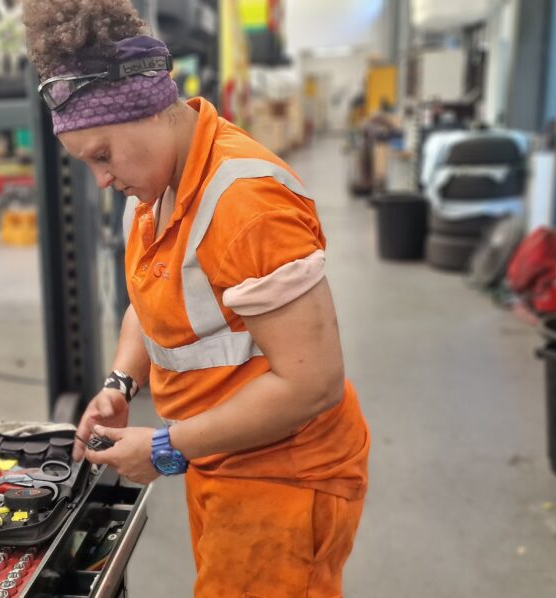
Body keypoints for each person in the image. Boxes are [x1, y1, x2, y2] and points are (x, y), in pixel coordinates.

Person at [22, 1, 371, 596]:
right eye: (87, 164)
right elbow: (148, 301)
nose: (101, 179)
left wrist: (163, 446)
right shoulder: (160, 187)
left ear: (152, 109)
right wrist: (118, 385)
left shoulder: (244, 204)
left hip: (283, 477)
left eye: (103, 155)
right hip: (221, 454)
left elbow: (313, 384)